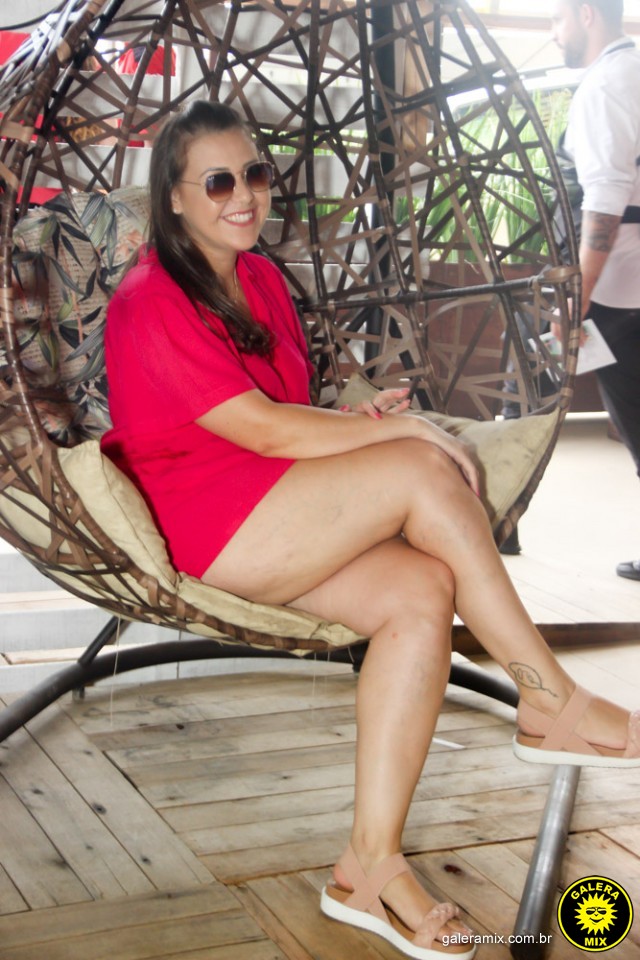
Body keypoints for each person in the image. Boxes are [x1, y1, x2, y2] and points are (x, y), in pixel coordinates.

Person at [101, 99, 640, 960]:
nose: (245, 195)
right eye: (219, 181)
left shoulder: (259, 277)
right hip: (205, 522)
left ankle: (368, 866)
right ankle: (549, 699)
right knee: (421, 465)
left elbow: (286, 410)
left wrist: (358, 418)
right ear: (173, 197)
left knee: (420, 591)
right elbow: (262, 430)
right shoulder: (150, 299)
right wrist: (399, 435)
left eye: (255, 174)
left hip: (271, 503)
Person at [551, 0, 640, 581]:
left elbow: (605, 198)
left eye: (557, 20)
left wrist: (577, 297)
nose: (553, 34)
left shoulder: (605, 84)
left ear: (586, 14)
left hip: (622, 288)